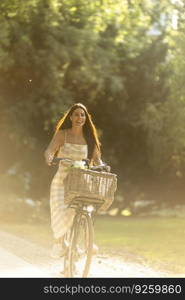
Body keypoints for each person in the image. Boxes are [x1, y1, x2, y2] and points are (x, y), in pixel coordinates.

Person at [44, 103, 102, 258]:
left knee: (85, 209)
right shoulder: (62, 134)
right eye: (76, 114)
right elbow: (50, 150)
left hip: (81, 181)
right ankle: (59, 242)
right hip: (61, 180)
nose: (79, 117)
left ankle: (87, 241)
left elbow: (98, 160)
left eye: (82, 115)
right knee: (60, 210)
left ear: (86, 118)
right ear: (70, 117)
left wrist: (102, 166)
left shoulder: (89, 139)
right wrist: (50, 157)